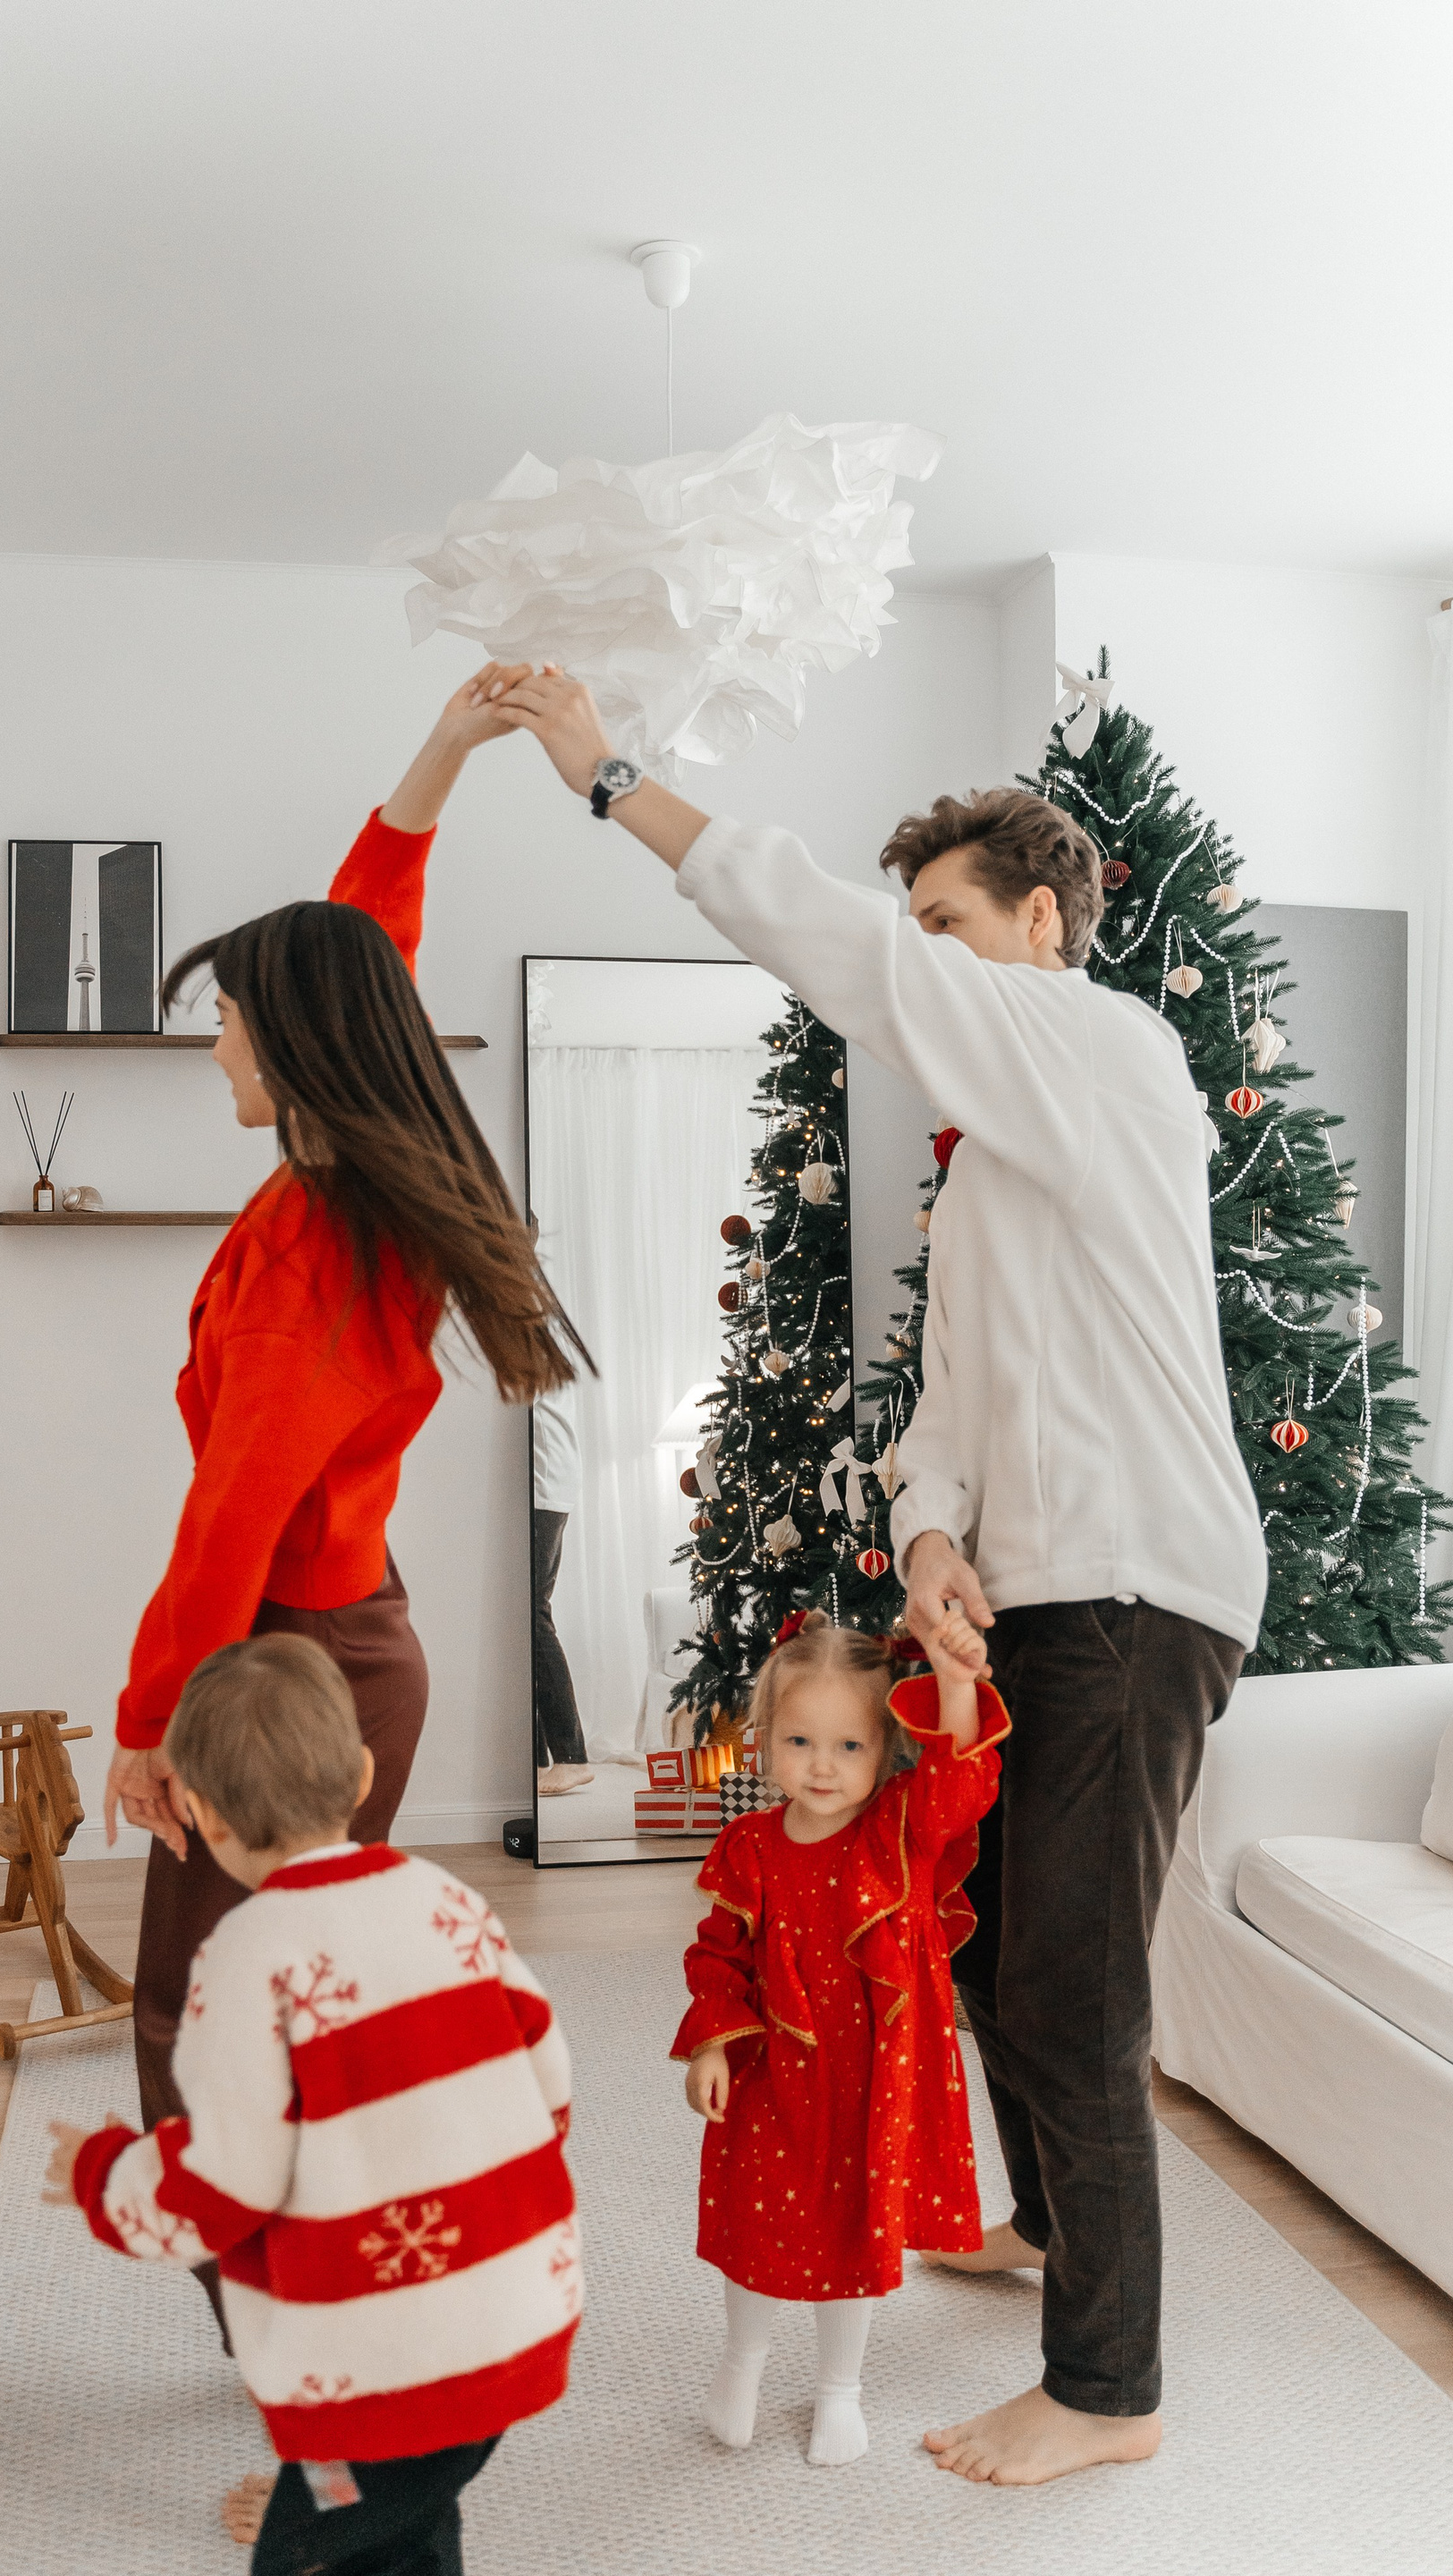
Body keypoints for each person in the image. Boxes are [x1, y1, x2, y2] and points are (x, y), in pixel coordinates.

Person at [494, 667, 1266, 2486]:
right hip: (1045, 1588)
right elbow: (956, 1411)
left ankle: (1110, 2392)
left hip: (1138, 1583)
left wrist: (613, 778)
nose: (919, 959)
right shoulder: (1001, 1160)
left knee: (1073, 1991)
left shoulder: (1103, 1050)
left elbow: (833, 941)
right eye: (914, 927)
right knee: (985, 1943)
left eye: (947, 926)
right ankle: (1045, 2228)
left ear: (1044, 924)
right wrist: (928, 1534)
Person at [105, 663, 587, 2175]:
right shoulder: (347, 1180)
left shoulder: (316, 1248)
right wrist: (444, 752)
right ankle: (331, 2238)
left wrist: (148, 1727)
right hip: (339, 1646)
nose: (219, 1048)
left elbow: (231, 1519)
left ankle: (269, 2257)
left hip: (292, 1662)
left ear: (291, 1044)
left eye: (229, 1022)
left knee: (204, 2015)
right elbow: (366, 943)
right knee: (291, 2000)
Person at [46, 1632, 579, 2576]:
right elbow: (549, 2084)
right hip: (514, 2318)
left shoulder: (245, 1959)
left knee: (308, 2549)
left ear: (204, 1816)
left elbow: (227, 2185)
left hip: (378, 2375)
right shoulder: (447, 1899)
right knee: (411, 2522)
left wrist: (102, 2173)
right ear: (363, 1773)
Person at [674, 1607, 1008, 2467]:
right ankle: (742, 2363)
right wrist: (712, 2045)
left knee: (854, 2231)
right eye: (799, 1742)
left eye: (849, 1746)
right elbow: (717, 1955)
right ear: (764, 1741)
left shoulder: (900, 1829)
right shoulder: (747, 1845)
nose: (822, 1766)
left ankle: (839, 2389)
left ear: (886, 1749)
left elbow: (962, 1781)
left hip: (873, 2077)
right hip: (773, 2072)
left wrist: (957, 1683)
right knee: (758, 2222)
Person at [530, 1388, 594, 1792]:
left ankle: (571, 1757)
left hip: (542, 1484)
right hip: (548, 1482)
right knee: (527, 1615)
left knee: (532, 1614)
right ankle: (538, 1758)